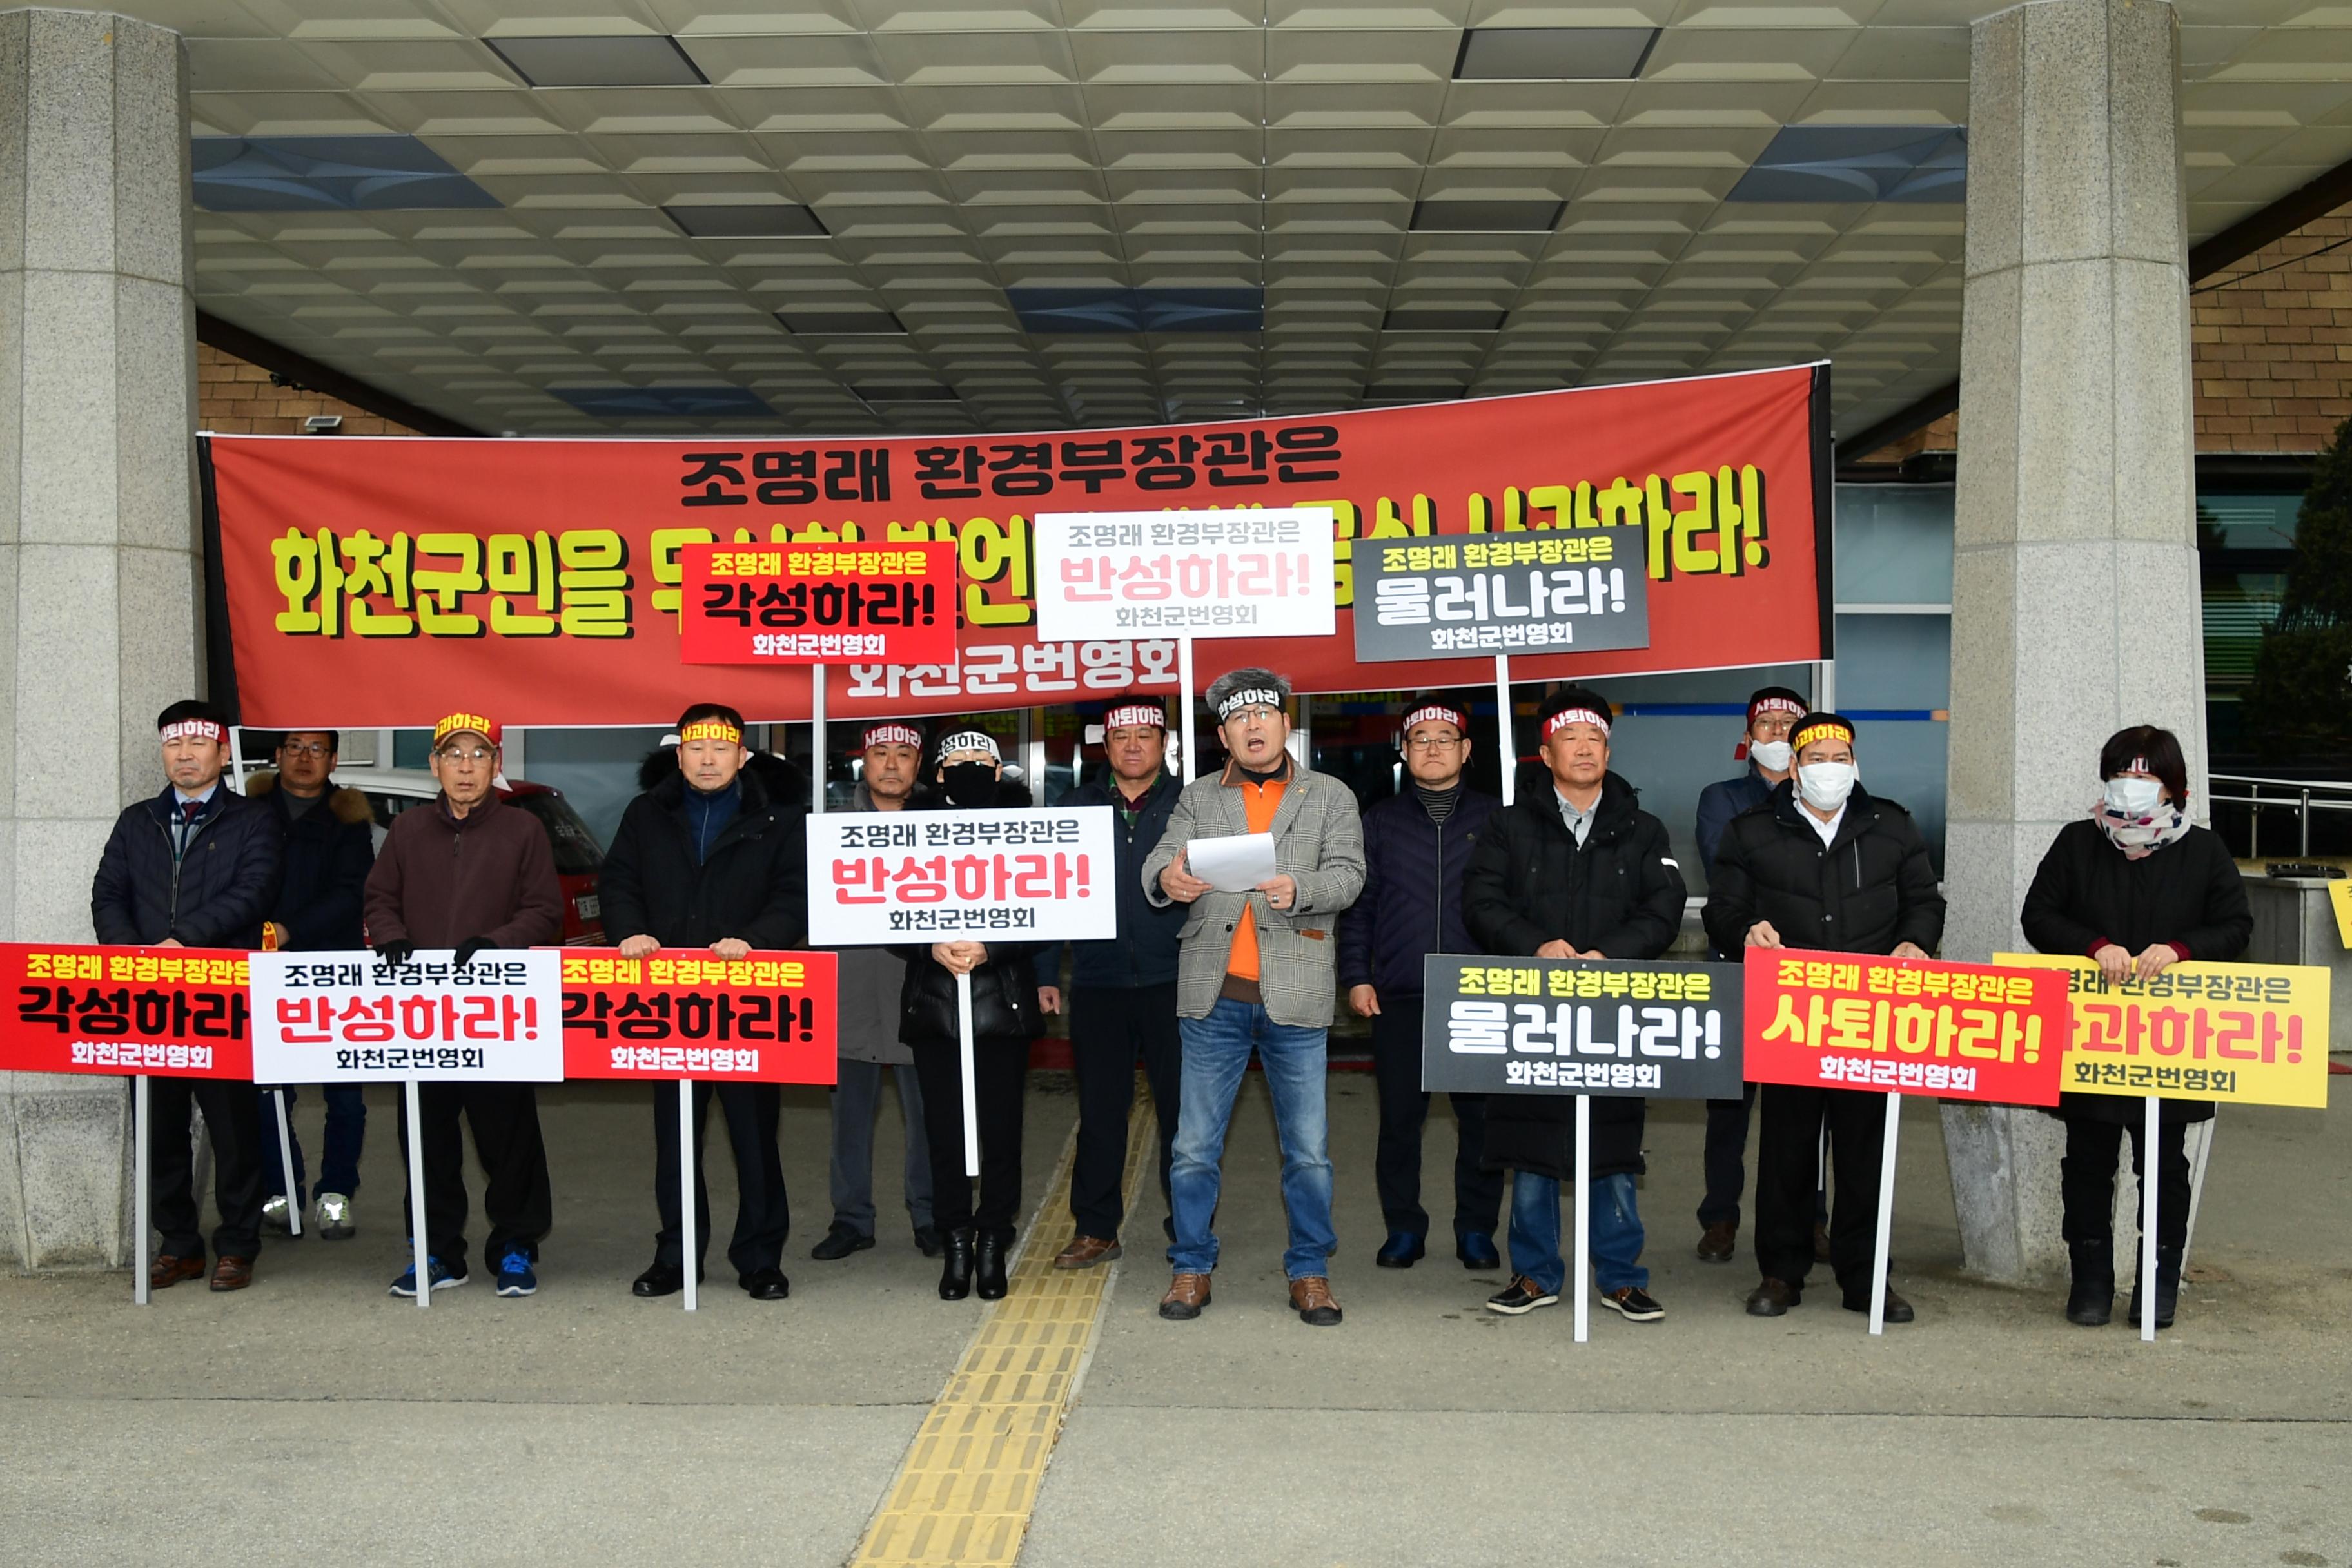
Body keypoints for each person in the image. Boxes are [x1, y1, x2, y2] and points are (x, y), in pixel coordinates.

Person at [1704, 710, 1945, 1324]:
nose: (1829, 769)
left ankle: (1867, 1278)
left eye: (1840, 758)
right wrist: (1743, 930)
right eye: (1816, 759)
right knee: (1787, 1149)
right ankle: (1781, 1274)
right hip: (1791, 1015)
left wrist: (1916, 941)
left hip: (1871, 1016)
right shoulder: (1752, 829)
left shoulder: (1891, 825)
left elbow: (1923, 900)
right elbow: (1724, 908)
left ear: (1856, 764)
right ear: (1793, 765)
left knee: (1866, 1150)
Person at [1143, 667, 1365, 1328]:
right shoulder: (1197, 798)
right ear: (1223, 735)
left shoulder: (1330, 795)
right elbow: (1158, 863)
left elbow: (1350, 873)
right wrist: (1171, 878)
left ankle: (1310, 1271)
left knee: (1308, 1151)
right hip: (1214, 995)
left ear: (1284, 725)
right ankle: (1190, 1266)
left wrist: (1300, 887)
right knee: (1193, 1148)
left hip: (1295, 992)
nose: (1254, 727)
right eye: (1240, 720)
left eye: (1264, 716)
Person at [1462, 687, 1681, 1324]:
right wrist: (1535, 944)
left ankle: (1621, 1275)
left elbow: (1663, 908)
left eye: (1595, 739)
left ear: (1608, 751)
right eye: (1570, 738)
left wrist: (1609, 953)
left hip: (1613, 1001)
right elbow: (1482, 901)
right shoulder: (1510, 822)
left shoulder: (1643, 828)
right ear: (1545, 751)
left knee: (1613, 1141)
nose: (1584, 748)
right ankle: (1533, 1272)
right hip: (1534, 999)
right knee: (1531, 1137)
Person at [2021, 725, 2249, 1330]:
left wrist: (2180, 949)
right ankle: (2090, 1281)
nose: (2133, 784)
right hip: (2092, 1042)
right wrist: (2092, 946)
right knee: (2088, 1163)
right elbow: (2038, 916)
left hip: (2172, 1048)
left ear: (2174, 787)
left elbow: (2235, 927)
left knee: (2165, 1169)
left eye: (2146, 775)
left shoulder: (2203, 850)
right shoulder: (2078, 843)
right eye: (2123, 772)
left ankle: (2158, 1283)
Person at [602, 704, 807, 1303]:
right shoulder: (647, 814)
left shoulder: (778, 816)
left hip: (746, 999)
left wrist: (759, 939)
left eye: (722, 749)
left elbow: (796, 893)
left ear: (743, 755)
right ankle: (677, 1253)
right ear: (679, 755)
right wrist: (629, 932)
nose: (709, 759)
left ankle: (760, 1257)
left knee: (754, 1136)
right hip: (666, 1003)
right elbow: (617, 882)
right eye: (697, 749)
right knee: (676, 1136)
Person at [363, 710, 564, 1298]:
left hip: (497, 1012)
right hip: (420, 1015)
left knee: (508, 1135)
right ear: (434, 766)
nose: (466, 767)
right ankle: (435, 1251)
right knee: (425, 1136)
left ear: (496, 765)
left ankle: (517, 1247)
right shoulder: (407, 832)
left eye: (479, 755)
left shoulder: (523, 831)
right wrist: (391, 934)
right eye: (454, 756)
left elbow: (544, 911)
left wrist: (495, 944)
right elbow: (379, 896)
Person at [92, 700, 282, 1293]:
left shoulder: (254, 820)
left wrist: (184, 941)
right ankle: (178, 1244)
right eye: (174, 746)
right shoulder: (136, 820)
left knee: (233, 1128)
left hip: (220, 994)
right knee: (157, 1126)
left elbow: (253, 893)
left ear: (222, 754)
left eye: (197, 745)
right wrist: (135, 954)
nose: (184, 756)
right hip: (148, 999)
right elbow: (107, 895)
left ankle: (237, 1245)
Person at [1339, 695, 1504, 1271]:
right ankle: (1404, 1227)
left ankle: (1477, 1229)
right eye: (1420, 739)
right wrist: (1358, 976)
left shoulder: (1498, 819)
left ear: (1466, 750)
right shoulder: (1379, 821)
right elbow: (1359, 909)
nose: (1432, 748)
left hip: (1479, 993)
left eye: (1444, 738)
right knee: (1400, 1122)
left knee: (1481, 1122)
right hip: (1401, 992)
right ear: (1404, 753)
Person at [894, 727, 1049, 1302]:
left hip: (1001, 1003)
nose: (968, 767)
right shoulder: (906, 830)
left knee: (1002, 1131)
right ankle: (955, 1238)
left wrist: (992, 948)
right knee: (943, 1132)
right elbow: (877, 907)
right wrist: (927, 944)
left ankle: (993, 1241)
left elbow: (1051, 907)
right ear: (937, 772)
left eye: (980, 759)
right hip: (936, 1003)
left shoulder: (1030, 831)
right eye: (955, 759)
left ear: (999, 770)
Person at [1043, 694, 1188, 1269]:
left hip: (1177, 980)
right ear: (1106, 747)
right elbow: (1049, 894)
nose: (1133, 746)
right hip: (1099, 981)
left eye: (1145, 736)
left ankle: (1190, 1231)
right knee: (1102, 1112)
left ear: (1162, 744)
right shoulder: (1075, 806)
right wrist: (1043, 973)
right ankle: (1096, 1229)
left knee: (1185, 1115)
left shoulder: (1193, 806)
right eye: (1121, 737)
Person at [1690, 685, 1820, 1266]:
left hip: (1806, 973)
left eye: (1789, 724)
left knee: (1808, 1108)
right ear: (1749, 737)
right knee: (1729, 1107)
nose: (1777, 731)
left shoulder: (1826, 805)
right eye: (1766, 723)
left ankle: (1811, 1218)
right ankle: (1720, 1216)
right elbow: (1731, 868)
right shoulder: (1721, 798)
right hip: (1738, 968)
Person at [812, 721, 940, 1262]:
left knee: (930, 1115)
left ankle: (931, 1215)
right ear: (862, 762)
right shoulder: (829, 830)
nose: (891, 765)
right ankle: (851, 1219)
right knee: (849, 1119)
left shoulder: (945, 826)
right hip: (850, 988)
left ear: (919, 765)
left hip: (922, 989)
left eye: (903, 755)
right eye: (880, 754)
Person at [247, 729, 375, 1240]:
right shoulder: (249, 813)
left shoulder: (349, 819)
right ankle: (283, 1191)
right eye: (294, 747)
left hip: (333, 971)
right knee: (269, 1089)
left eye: (316, 749)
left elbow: (353, 893)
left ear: (334, 759)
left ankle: (336, 1193)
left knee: (345, 1093)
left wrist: (289, 929)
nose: (304, 758)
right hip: (263, 970)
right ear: (277, 756)